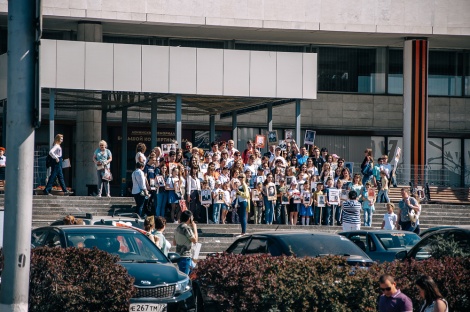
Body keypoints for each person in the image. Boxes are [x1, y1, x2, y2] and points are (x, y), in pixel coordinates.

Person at [173, 210, 198, 275]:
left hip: (179, 255)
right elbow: (195, 240)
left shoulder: (178, 227)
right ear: (189, 218)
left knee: (193, 274)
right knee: (185, 277)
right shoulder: (186, 228)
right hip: (185, 256)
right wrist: (195, 228)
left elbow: (174, 242)